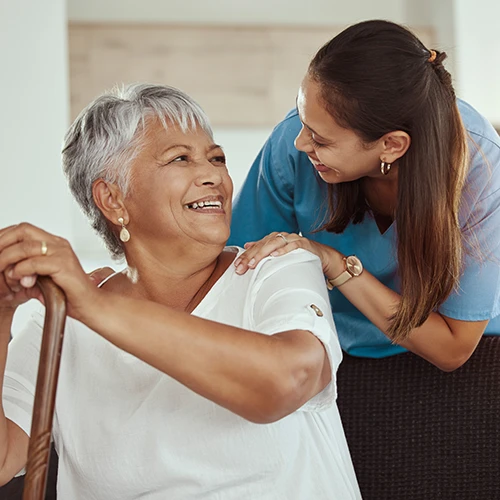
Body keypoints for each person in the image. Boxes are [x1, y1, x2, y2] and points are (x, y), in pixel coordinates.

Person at [0, 84, 360, 499]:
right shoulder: (61, 319)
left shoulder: (275, 266)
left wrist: (95, 306)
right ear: (113, 199)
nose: (213, 176)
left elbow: (287, 381)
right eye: (180, 159)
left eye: (216, 158)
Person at [229, 20, 500, 372]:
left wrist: (335, 263)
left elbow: (452, 347)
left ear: (391, 145)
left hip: (468, 365)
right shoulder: (292, 144)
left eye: (321, 140)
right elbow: (238, 276)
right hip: (330, 351)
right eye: (302, 120)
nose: (300, 143)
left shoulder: (481, 168)